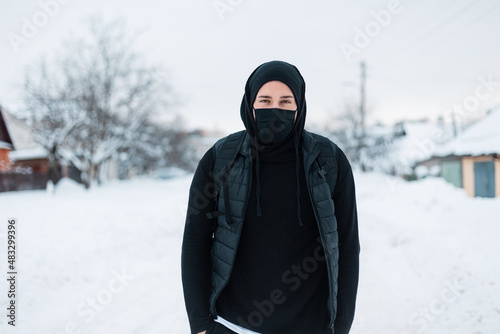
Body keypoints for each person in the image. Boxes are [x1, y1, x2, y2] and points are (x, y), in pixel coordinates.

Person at [181, 60, 359, 334]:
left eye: (286, 101)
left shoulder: (328, 160)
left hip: (312, 326)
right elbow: (195, 241)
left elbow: (347, 246)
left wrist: (341, 327)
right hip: (234, 324)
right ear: (249, 104)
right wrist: (201, 326)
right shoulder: (221, 158)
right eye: (264, 100)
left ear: (299, 106)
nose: (275, 109)